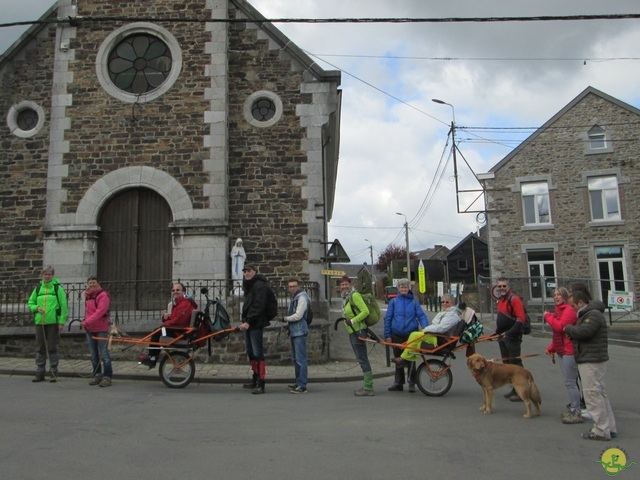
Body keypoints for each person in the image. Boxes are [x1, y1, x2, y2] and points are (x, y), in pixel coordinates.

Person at [565, 291, 618, 441]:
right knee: (599, 393)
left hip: (591, 359)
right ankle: (609, 427)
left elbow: (584, 332)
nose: (573, 309)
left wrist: (568, 328)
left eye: (573, 306)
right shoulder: (590, 314)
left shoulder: (592, 314)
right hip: (592, 357)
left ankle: (601, 430)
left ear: (581, 303)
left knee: (592, 394)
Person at [383, 278, 428, 393]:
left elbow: (421, 316)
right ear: (398, 289)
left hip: (411, 335)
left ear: (409, 288)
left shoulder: (414, 301)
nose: (403, 289)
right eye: (401, 287)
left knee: (411, 359)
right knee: (399, 360)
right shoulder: (393, 302)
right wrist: (387, 334)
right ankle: (398, 383)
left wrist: (426, 329)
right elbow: (388, 318)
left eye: (405, 287)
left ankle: (412, 382)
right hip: (396, 334)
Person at [139, 282, 198, 369]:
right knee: (157, 331)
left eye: (178, 290)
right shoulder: (179, 303)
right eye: (173, 290)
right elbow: (175, 318)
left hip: (179, 332)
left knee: (157, 332)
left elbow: (178, 321)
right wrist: (166, 318)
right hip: (176, 329)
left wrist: (164, 324)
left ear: (183, 292)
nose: (175, 292)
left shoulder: (185, 304)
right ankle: (152, 357)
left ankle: (152, 358)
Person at [543, 287, 580, 423]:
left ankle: (576, 410)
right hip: (562, 349)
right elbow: (559, 335)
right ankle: (574, 408)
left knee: (570, 382)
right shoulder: (560, 310)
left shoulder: (568, 310)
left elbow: (560, 327)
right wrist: (552, 348)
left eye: (559, 294)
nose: (556, 297)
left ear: (565, 296)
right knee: (569, 382)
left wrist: (548, 317)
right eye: (554, 295)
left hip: (569, 351)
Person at [27, 266, 68, 382]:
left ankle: (53, 372)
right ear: (42, 276)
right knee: (40, 347)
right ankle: (40, 372)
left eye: (49, 274)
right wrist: (36, 308)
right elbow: (30, 303)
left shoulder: (57, 289)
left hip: (53, 322)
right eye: (45, 274)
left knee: (52, 347)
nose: (47, 276)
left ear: (52, 276)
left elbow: (63, 306)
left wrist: (61, 322)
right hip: (40, 322)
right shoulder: (38, 288)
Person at [238, 265, 271, 394]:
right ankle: (255, 377)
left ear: (254, 272)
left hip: (255, 323)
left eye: (249, 271)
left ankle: (261, 382)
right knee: (251, 351)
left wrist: (249, 321)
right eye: (245, 272)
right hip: (249, 323)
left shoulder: (259, 286)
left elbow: (258, 305)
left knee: (257, 352)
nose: (246, 273)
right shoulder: (250, 286)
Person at [400, 293, 462, 362]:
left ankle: (403, 359)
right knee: (416, 338)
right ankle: (409, 358)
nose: (444, 303)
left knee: (414, 335)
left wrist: (426, 329)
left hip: (442, 339)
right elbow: (436, 325)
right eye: (443, 302)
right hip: (439, 336)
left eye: (447, 302)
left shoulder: (452, 315)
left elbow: (441, 328)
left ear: (452, 304)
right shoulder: (447, 312)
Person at [339, 275, 374, 396]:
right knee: (361, 359)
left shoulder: (354, 295)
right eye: (342, 285)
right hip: (352, 331)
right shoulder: (346, 298)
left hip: (358, 330)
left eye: (346, 284)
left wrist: (353, 321)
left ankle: (368, 387)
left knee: (362, 358)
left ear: (350, 284)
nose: (344, 286)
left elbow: (365, 311)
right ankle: (368, 385)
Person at [494, 277, 526, 401]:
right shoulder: (501, 300)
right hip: (503, 336)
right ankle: (515, 388)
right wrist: (497, 333)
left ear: (508, 287)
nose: (502, 288)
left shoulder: (514, 299)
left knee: (515, 364)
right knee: (507, 365)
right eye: (500, 286)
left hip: (512, 337)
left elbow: (520, 319)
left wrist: (509, 333)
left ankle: (521, 390)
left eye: (504, 286)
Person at [82, 276, 113, 387]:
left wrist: (87, 322)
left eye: (94, 282)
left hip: (101, 328)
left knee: (104, 354)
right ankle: (97, 374)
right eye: (90, 283)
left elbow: (100, 312)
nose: (92, 284)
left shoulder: (103, 296)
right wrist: (86, 321)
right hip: (90, 329)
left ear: (98, 283)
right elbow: (89, 312)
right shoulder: (88, 296)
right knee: (94, 355)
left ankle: (107, 377)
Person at [282, 278, 310, 394]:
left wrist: (285, 319)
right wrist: (287, 326)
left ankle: (302, 385)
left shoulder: (302, 298)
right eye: (290, 286)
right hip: (294, 331)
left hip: (299, 331)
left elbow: (298, 316)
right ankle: (298, 382)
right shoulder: (294, 298)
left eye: (294, 286)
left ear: (298, 286)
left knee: (300, 359)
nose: (292, 288)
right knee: (296, 359)